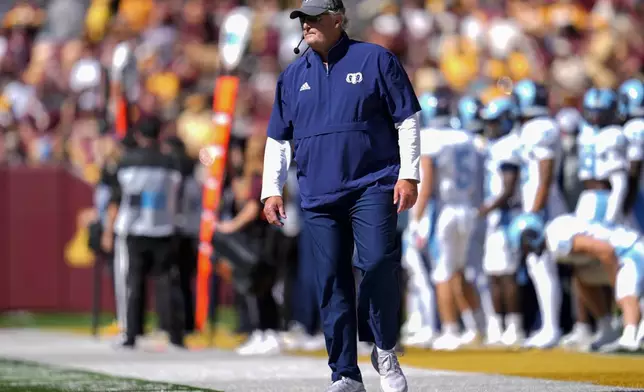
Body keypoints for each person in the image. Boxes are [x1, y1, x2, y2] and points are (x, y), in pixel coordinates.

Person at [261, 0, 420, 390]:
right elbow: (277, 139)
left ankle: (384, 347)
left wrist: (410, 175)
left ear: (337, 19)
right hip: (317, 193)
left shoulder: (376, 60)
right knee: (331, 280)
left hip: (374, 184)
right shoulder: (292, 75)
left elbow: (408, 119)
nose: (306, 26)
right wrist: (271, 189)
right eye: (302, 20)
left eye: (314, 19)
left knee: (379, 261)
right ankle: (345, 373)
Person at [411, 88, 486, 351]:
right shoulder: (466, 137)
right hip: (467, 207)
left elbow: (428, 183)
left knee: (442, 272)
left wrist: (416, 218)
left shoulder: (430, 138)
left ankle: (451, 329)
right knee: (460, 270)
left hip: (444, 212)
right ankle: (478, 326)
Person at [101, 117, 185, 349]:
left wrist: (109, 230)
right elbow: (178, 194)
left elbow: (116, 199)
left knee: (133, 284)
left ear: (139, 136)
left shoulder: (126, 162)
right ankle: (175, 335)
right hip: (164, 227)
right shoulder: (171, 162)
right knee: (167, 283)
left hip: (134, 229)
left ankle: (132, 334)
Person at [507, 213, 644, 352]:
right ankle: (607, 329)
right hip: (619, 254)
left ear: (531, 237)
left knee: (624, 288)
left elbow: (606, 251)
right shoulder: (554, 236)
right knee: (582, 277)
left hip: (631, 250)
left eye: (524, 246)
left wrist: (616, 288)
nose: (526, 252)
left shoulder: (557, 239)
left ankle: (629, 337)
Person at [511, 79, 565, 348]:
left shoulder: (539, 128)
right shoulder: (536, 127)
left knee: (543, 267)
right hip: (538, 202)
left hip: (543, 205)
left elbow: (544, 175)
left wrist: (533, 211)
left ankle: (552, 326)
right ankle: (549, 324)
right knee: (538, 268)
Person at [478, 97, 525, 346]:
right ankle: (498, 325)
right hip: (497, 215)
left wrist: (486, 208)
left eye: (495, 122)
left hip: (508, 215)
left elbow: (508, 187)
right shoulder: (496, 144)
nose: (491, 126)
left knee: (507, 274)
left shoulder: (509, 145)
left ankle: (514, 326)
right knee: (494, 273)